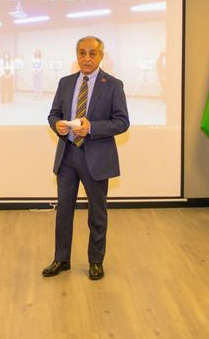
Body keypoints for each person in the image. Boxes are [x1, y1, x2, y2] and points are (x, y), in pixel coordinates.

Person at [43, 36, 129, 280]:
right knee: (63, 211)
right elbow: (53, 114)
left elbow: (122, 122)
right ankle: (61, 259)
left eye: (92, 53)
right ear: (77, 55)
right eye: (82, 53)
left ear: (101, 56)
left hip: (97, 159)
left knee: (97, 213)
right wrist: (57, 125)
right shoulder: (65, 83)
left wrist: (92, 128)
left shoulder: (113, 85)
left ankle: (96, 261)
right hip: (67, 156)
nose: (87, 58)